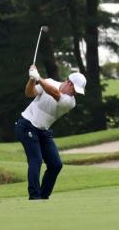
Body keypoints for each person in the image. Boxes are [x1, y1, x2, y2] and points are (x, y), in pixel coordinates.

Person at [15, 65, 86, 200]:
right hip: (26, 125)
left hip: (43, 130)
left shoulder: (70, 102)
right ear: (68, 82)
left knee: (56, 165)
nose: (75, 93)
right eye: (75, 90)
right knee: (36, 160)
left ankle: (43, 195)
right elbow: (29, 93)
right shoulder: (50, 82)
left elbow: (54, 93)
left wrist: (38, 78)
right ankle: (34, 196)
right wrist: (32, 79)